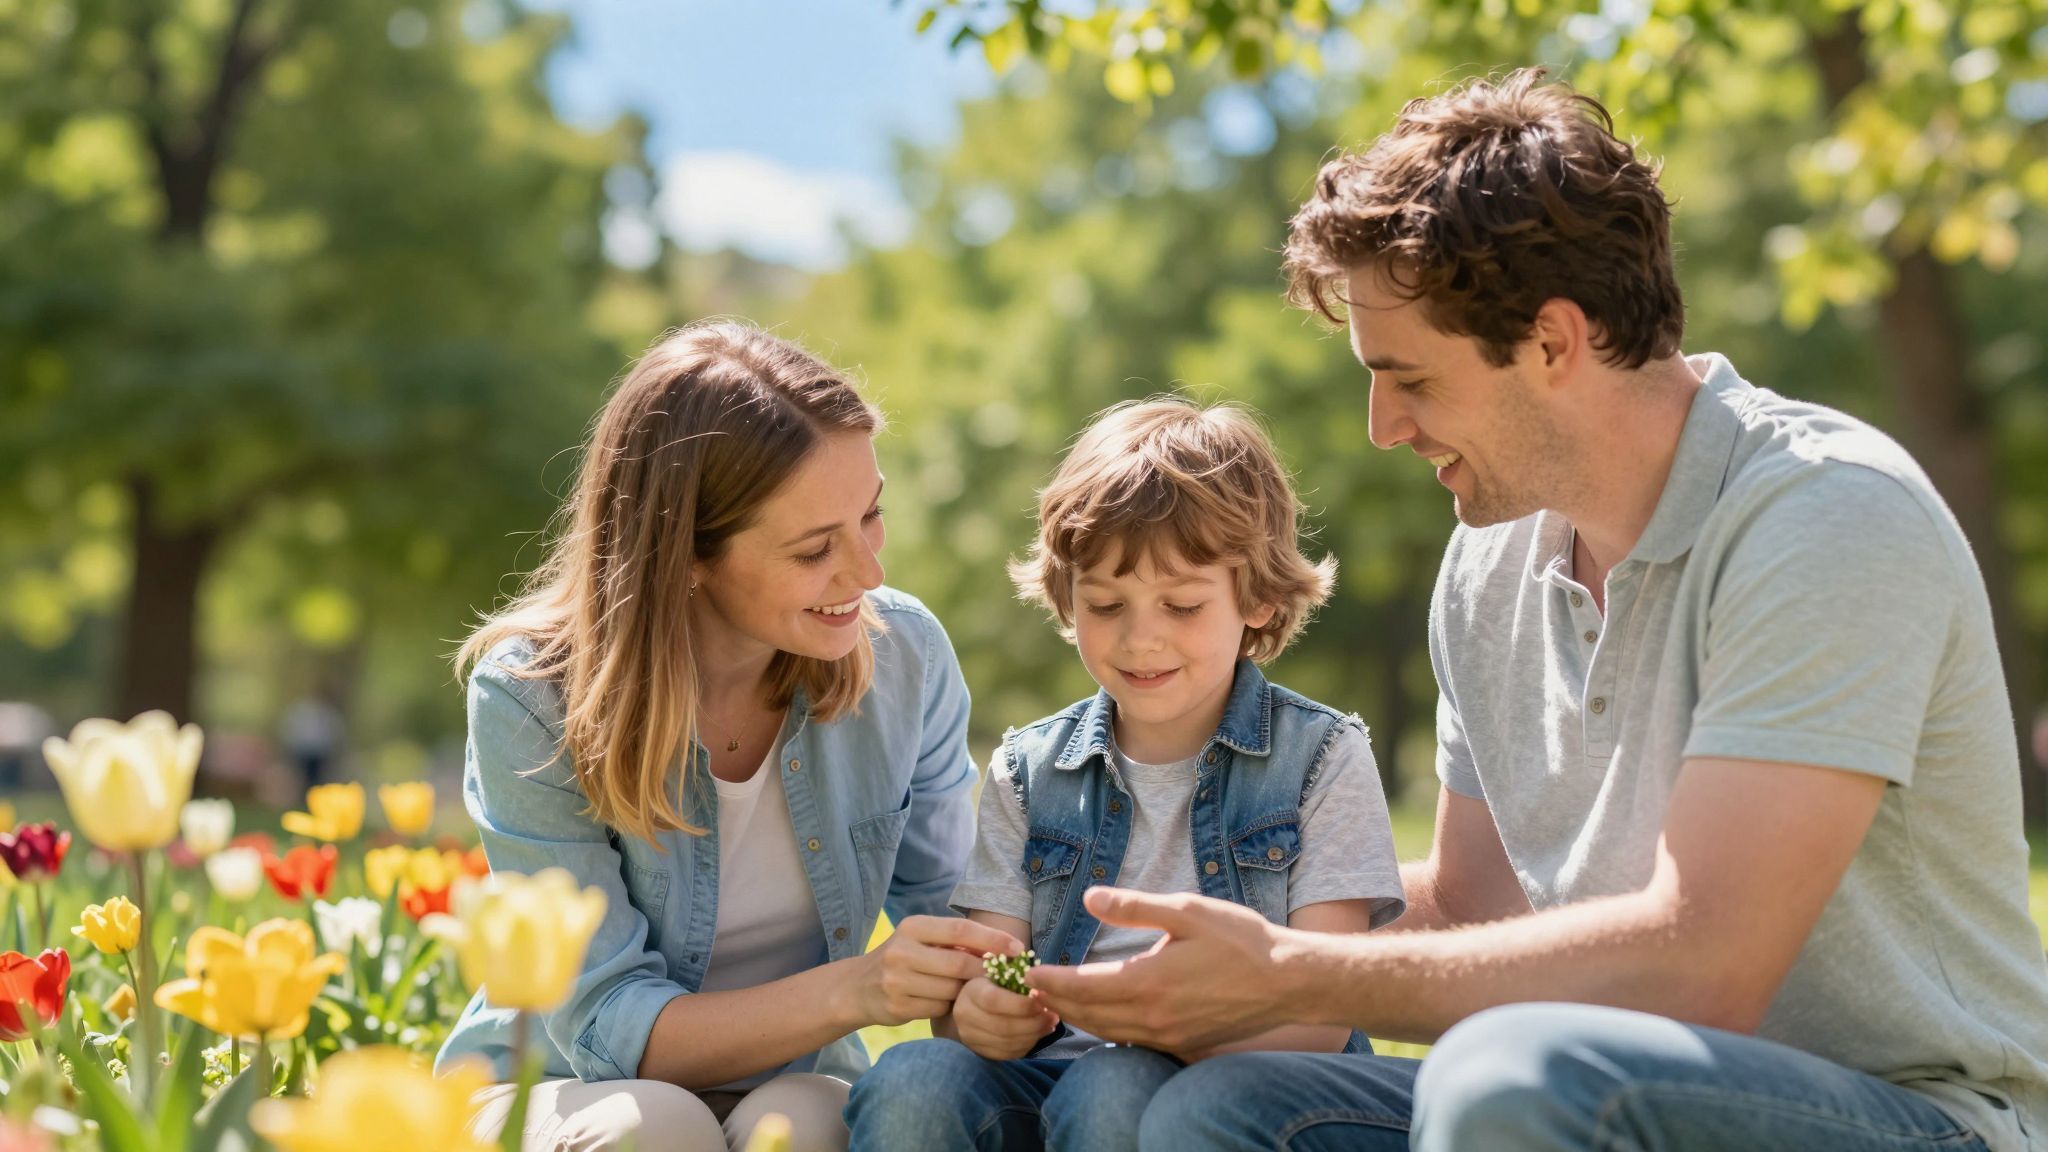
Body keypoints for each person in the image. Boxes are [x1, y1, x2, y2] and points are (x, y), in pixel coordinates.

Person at [1023, 70, 2048, 1152]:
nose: (1382, 425)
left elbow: (1704, 967)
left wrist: (1285, 974)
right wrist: (1135, 944)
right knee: (1227, 1114)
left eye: (1407, 377)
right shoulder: (1488, 567)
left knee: (1511, 1073)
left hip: (1919, 1120)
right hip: (1597, 1100)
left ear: (1552, 343)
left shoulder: (1824, 517)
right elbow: (1474, 904)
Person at [435, 321, 1018, 1152]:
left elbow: (964, 916)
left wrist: (998, 991)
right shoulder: (531, 696)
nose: (868, 572)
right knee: (663, 1127)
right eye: (816, 548)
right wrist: (859, 990)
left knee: (821, 1116)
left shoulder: (904, 657)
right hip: (558, 1085)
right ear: (686, 557)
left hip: (784, 1085)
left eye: (871, 516)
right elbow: (608, 1023)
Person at [846, 398, 1406, 1150]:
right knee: (911, 1079)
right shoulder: (1027, 771)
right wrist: (984, 1010)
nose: (1143, 639)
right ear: (1067, 599)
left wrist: (1163, 1025)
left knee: (1114, 1080)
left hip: (1238, 1089)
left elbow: (1327, 1007)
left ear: (1258, 599)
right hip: (1049, 1077)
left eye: (1181, 605)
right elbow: (981, 981)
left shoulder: (1320, 759)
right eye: (1107, 604)